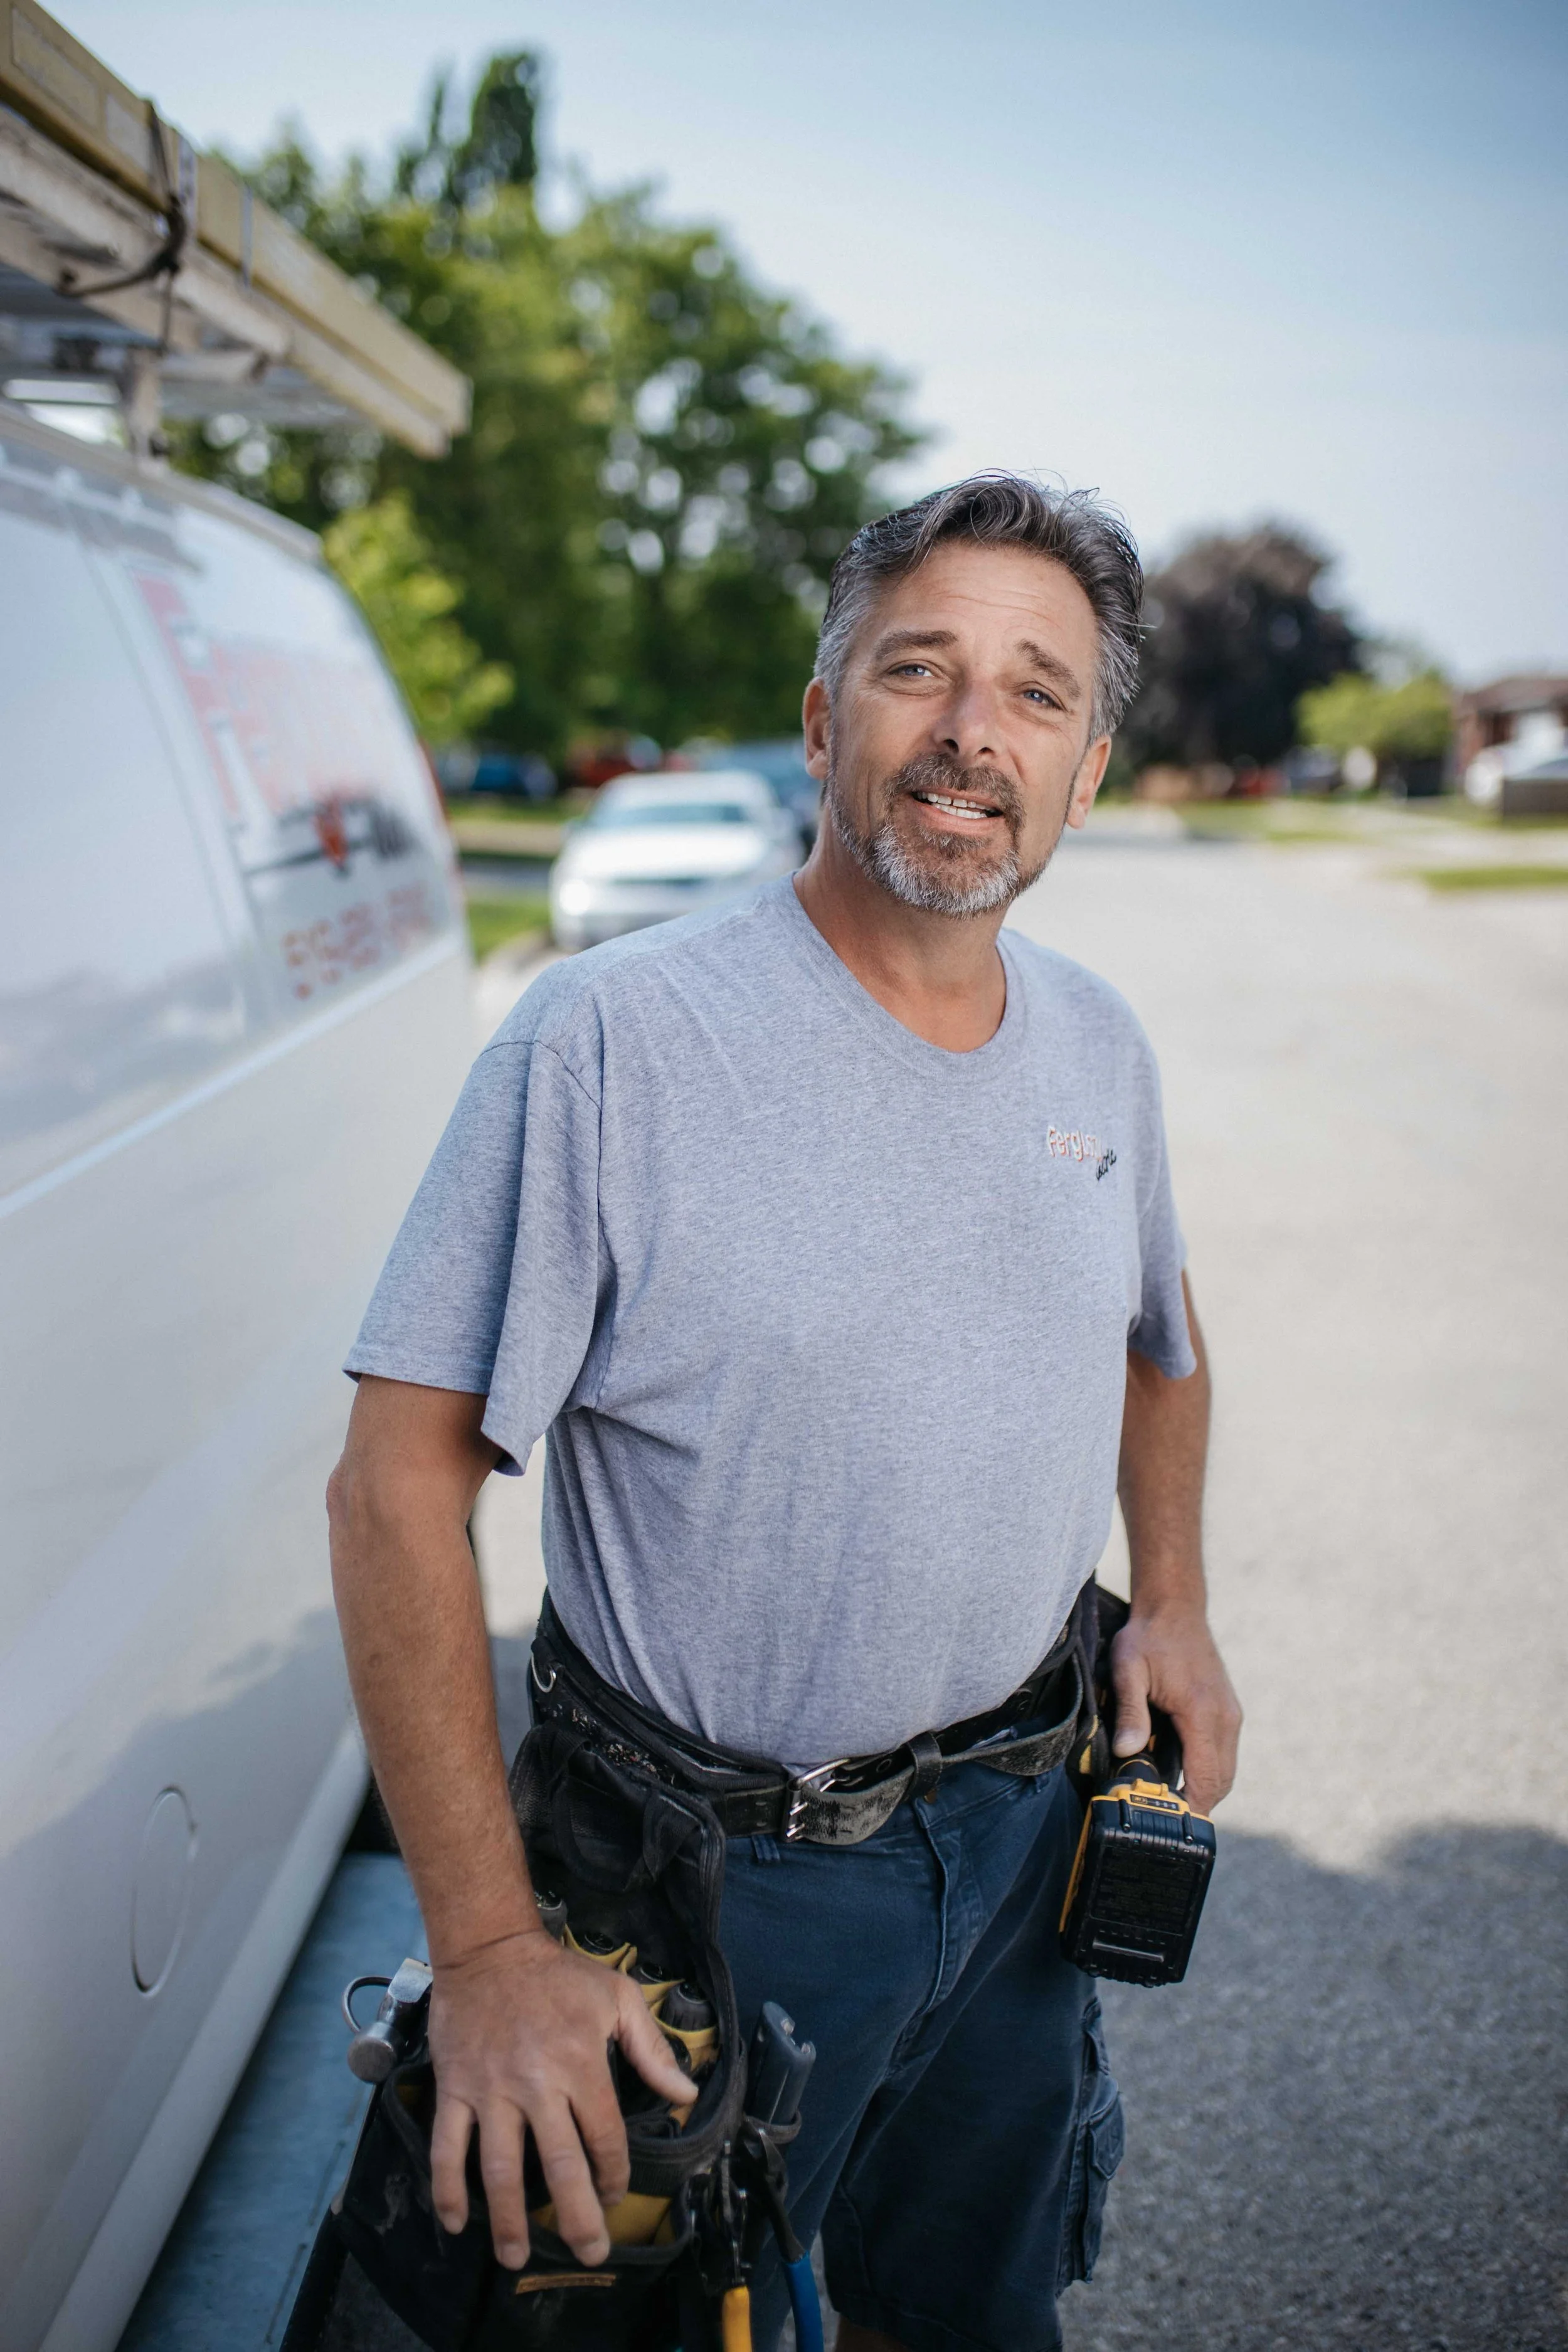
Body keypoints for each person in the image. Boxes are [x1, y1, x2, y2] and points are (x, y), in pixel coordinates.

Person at [328, 472, 1242, 2352]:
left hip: (1016, 1853)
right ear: (827, 722)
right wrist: (492, 1948)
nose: (972, 731)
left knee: (969, 2305)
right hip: (706, 1882)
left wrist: (1174, 1600)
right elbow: (394, 1490)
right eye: (919, 670)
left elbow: (1161, 1340)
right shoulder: (607, 1043)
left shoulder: (1099, 1045)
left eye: (1036, 693)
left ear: (1084, 778)